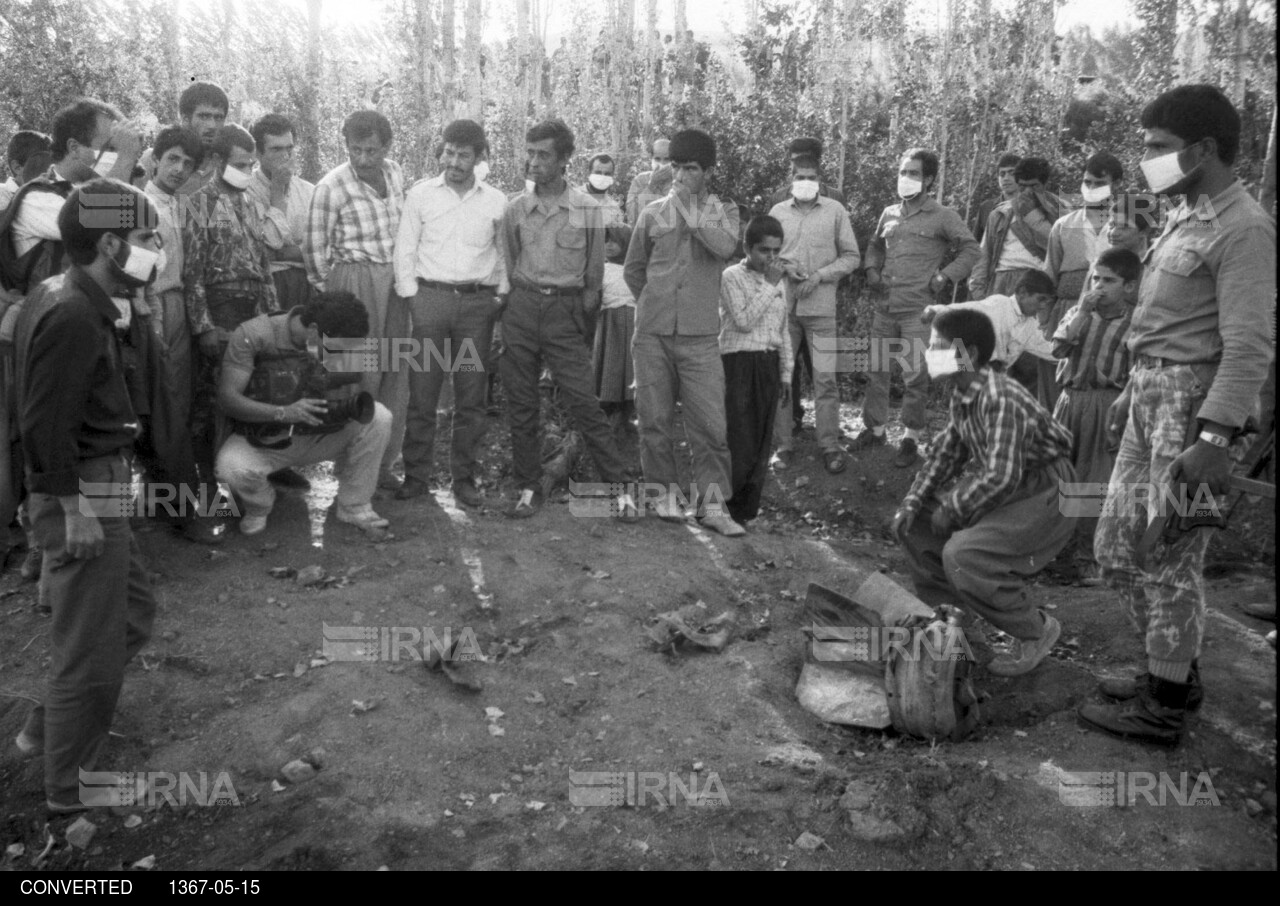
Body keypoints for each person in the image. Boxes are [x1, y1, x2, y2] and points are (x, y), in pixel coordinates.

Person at [1078, 85, 1276, 745]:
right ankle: (1171, 673)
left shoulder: (1245, 228)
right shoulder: (1188, 215)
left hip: (1195, 413)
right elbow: (1160, 322)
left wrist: (1216, 437)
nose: (1148, 161)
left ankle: (1163, 704)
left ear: (1206, 148)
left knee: (1168, 555)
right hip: (1152, 399)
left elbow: (1249, 347)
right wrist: (1131, 398)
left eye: (1159, 148)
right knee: (1115, 547)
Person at [13, 178, 162, 813]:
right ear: (108, 242)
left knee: (129, 613)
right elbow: (43, 423)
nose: (155, 249)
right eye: (145, 239)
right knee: (89, 646)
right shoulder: (73, 312)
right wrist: (69, 508)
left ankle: (45, 734)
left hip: (96, 481)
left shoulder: (65, 296)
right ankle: (69, 790)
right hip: (86, 488)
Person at [893, 307, 1074, 676]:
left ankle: (1035, 629)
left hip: (1045, 490)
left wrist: (954, 509)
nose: (930, 355)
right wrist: (912, 502)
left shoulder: (1000, 396)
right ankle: (957, 629)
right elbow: (946, 454)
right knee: (915, 523)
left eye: (940, 347)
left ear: (970, 355)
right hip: (1012, 483)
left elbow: (1001, 477)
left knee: (966, 554)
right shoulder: (962, 393)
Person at [499, 119, 637, 522]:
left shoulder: (587, 210)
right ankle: (527, 488)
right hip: (522, 310)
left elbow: (594, 281)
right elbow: (510, 265)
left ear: (564, 160)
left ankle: (621, 491)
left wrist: (578, 320)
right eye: (530, 153)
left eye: (543, 155)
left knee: (584, 403)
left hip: (565, 311)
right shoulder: (515, 210)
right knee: (522, 405)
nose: (534, 162)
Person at [624, 127, 743, 536]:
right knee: (653, 420)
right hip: (652, 334)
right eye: (675, 166)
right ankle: (663, 496)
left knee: (710, 425)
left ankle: (713, 507)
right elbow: (634, 269)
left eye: (689, 168)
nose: (678, 175)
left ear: (707, 171)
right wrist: (654, 304)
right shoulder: (651, 211)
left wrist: (690, 208)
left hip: (700, 338)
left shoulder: (724, 210)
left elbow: (725, 248)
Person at [394, 118, 507, 508]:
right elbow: (405, 249)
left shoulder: (495, 201)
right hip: (431, 303)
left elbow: (504, 253)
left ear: (479, 157)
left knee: (471, 397)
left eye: (463, 154)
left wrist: (498, 296)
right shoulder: (421, 195)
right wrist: (414, 298)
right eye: (448, 152)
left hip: (476, 309)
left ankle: (465, 479)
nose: (454, 161)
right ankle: (416, 476)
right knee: (422, 395)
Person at [215, 292, 392, 536]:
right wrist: (283, 412)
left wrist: (321, 371)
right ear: (313, 329)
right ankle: (260, 505)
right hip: (265, 440)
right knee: (230, 468)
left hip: (315, 432)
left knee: (379, 417)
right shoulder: (254, 335)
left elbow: (358, 375)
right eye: (335, 346)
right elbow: (228, 398)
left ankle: (354, 505)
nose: (340, 352)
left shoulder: (333, 339)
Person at [855, 148, 980, 468]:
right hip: (885, 306)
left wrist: (945, 275)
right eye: (903, 172)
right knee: (877, 370)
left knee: (915, 374)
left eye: (913, 173)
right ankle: (877, 429)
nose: (906, 179)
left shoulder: (943, 216)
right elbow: (874, 245)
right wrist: (871, 269)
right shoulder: (889, 213)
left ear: (928, 180)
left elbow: (971, 249)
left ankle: (910, 437)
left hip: (917, 310)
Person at [305, 110, 408, 491]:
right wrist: (335, 300)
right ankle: (351, 466)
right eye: (355, 150)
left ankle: (383, 464)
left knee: (396, 370)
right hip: (353, 281)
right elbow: (314, 250)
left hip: (394, 283)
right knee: (356, 374)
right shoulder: (331, 186)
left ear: (386, 147)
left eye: (372, 151)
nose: (363, 159)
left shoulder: (395, 172)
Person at [183, 124, 280, 491]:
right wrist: (204, 326)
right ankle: (208, 487)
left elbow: (263, 264)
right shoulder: (200, 202)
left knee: (253, 393)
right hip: (219, 308)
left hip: (253, 309)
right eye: (240, 164)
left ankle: (248, 484)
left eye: (251, 165)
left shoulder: (251, 202)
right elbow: (192, 269)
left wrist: (273, 317)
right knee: (213, 400)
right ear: (216, 160)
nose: (247, 171)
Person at [138, 125, 217, 544]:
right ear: (155, 157)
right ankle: (183, 512)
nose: (179, 168)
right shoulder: (137, 200)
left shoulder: (181, 203)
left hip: (178, 305)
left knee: (178, 407)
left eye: (187, 163)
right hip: (151, 306)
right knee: (165, 408)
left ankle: (162, 504)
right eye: (172, 159)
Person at [1049, 246, 1140, 579]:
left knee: (1093, 481)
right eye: (1095, 278)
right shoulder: (1078, 312)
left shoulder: (1134, 323)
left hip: (1106, 403)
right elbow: (1057, 347)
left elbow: (1135, 372)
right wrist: (1082, 314)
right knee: (1057, 473)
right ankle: (1049, 551)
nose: (1099, 286)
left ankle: (1085, 558)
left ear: (1128, 287)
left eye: (1109, 281)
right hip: (1069, 400)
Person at [767, 154, 860, 474]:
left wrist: (820, 276)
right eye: (799, 176)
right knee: (782, 377)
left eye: (810, 176)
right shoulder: (778, 212)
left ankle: (830, 445)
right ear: (791, 179)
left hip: (821, 308)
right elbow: (765, 253)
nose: (804, 181)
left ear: (819, 180)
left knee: (825, 379)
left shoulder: (835, 211)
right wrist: (784, 268)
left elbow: (851, 257)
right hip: (785, 307)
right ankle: (783, 446)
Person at [3, 99, 140, 294]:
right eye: (110, 149)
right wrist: (126, 157)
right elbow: (105, 220)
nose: (116, 156)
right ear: (74, 147)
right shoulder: (36, 198)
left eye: (118, 150)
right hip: (58, 318)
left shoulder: (86, 191)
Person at [719, 215, 792, 524]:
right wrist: (771, 285)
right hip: (739, 362)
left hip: (768, 364)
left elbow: (783, 328)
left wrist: (786, 372)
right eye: (764, 251)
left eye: (776, 251)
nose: (771, 258)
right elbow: (744, 321)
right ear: (747, 248)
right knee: (738, 440)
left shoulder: (778, 280)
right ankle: (718, 508)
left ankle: (744, 513)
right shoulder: (731, 276)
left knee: (761, 442)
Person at [969, 156, 1061, 401]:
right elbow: (984, 255)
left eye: (1034, 187)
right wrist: (979, 292)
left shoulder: (1059, 213)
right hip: (1003, 284)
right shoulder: (1000, 214)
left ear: (1045, 185)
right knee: (998, 356)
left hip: (1039, 285)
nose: (1027, 193)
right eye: (1023, 187)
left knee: (1032, 361)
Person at [1041, 151, 1125, 411]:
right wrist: (1045, 322)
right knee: (1056, 384)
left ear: (1117, 185)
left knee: (1102, 383)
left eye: (1099, 183)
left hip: (1113, 317)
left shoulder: (1125, 225)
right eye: (1087, 182)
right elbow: (1048, 276)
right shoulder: (1064, 225)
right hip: (1067, 312)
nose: (1091, 188)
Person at [921, 270, 1058, 375]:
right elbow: (966, 309)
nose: (1043, 306)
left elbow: (1050, 351)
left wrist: (1074, 354)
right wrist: (935, 310)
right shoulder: (999, 304)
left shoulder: (1030, 326)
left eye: (1047, 302)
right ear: (1022, 293)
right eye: (1041, 299)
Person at [247, 114, 316, 311]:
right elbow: (256, 249)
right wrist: (277, 192)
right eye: (276, 149)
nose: (285, 156)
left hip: (305, 286)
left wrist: (282, 254)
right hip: (264, 286)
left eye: (289, 148)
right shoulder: (246, 191)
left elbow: (320, 247)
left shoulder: (309, 191)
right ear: (258, 153)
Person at [139, 81, 228, 194]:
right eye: (204, 116)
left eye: (219, 117)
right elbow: (121, 206)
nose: (212, 125)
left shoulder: (228, 166)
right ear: (185, 119)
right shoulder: (153, 160)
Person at [592, 223, 637, 437]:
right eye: (606, 241)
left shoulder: (634, 269)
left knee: (629, 368)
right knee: (609, 365)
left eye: (615, 241)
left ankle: (626, 415)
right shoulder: (602, 268)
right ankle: (608, 413)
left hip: (632, 323)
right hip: (610, 324)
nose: (609, 246)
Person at [767, 137, 848, 207]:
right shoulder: (778, 199)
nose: (799, 165)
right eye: (794, 161)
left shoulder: (835, 197)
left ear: (818, 162)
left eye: (804, 160)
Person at [970, 153, 1020, 245]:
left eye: (1012, 173)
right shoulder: (986, 208)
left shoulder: (1032, 206)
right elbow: (975, 244)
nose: (1006, 178)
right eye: (1002, 174)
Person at [0, 131, 52, 211]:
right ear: (17, 167)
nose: (51, 173)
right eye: (44, 164)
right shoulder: (3, 196)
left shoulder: (45, 197)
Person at [625, 138, 671, 224]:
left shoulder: (680, 181)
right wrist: (651, 185)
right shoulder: (639, 180)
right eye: (657, 159)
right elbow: (632, 216)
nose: (662, 164)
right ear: (651, 158)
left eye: (667, 159)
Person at [583, 152, 625, 227]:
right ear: (589, 173)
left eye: (607, 174)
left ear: (612, 176)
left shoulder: (614, 208)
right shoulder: (574, 198)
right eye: (598, 173)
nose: (602, 177)